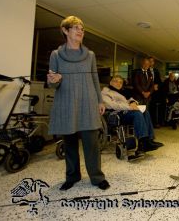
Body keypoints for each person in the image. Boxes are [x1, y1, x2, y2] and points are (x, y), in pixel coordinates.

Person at [47, 16, 110, 191]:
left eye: (82, 28)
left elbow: (95, 78)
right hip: (67, 103)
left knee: (92, 144)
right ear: (65, 31)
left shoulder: (90, 55)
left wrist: (99, 100)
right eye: (76, 28)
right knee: (70, 143)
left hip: (88, 103)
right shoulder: (56, 55)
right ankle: (72, 176)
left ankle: (97, 177)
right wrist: (55, 79)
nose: (80, 31)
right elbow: (52, 83)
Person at [101, 75, 163, 152]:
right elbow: (112, 105)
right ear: (110, 82)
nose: (119, 83)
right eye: (116, 81)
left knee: (145, 112)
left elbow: (130, 99)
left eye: (121, 82)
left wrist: (133, 102)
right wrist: (130, 107)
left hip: (126, 112)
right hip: (115, 114)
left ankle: (149, 140)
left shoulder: (122, 92)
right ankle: (143, 143)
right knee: (137, 113)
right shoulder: (105, 92)